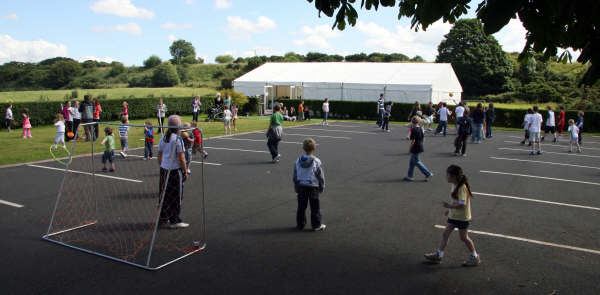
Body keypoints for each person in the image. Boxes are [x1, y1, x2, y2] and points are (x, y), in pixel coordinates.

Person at [424, 165, 480, 267]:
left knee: (464, 238)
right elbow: (455, 200)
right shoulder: (455, 184)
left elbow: (463, 205)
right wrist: (449, 210)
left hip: (462, 218)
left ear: (454, 176)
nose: (446, 176)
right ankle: (439, 255)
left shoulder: (461, 187)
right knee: (445, 234)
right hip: (454, 216)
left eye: (447, 175)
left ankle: (475, 256)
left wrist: (450, 206)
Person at [158, 115, 189, 229]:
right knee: (176, 196)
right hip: (174, 171)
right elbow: (181, 157)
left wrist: (162, 166)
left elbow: (159, 155)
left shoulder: (163, 137)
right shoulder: (177, 139)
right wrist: (185, 171)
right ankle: (175, 220)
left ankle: (163, 218)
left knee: (164, 195)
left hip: (164, 170)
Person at [293, 138, 326, 231]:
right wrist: (322, 186)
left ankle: (300, 224)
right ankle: (316, 225)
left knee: (301, 207)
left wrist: (296, 186)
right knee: (315, 207)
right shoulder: (316, 161)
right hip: (313, 187)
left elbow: (295, 175)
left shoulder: (298, 160)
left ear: (303, 148)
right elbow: (320, 176)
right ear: (314, 148)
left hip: (301, 186)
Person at [404, 116, 433, 181]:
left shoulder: (413, 129)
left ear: (412, 122)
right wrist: (421, 144)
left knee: (417, 162)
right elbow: (423, 138)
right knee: (412, 162)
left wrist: (410, 149)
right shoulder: (420, 128)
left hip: (415, 147)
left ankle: (428, 173)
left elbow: (413, 141)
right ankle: (410, 176)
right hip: (419, 146)